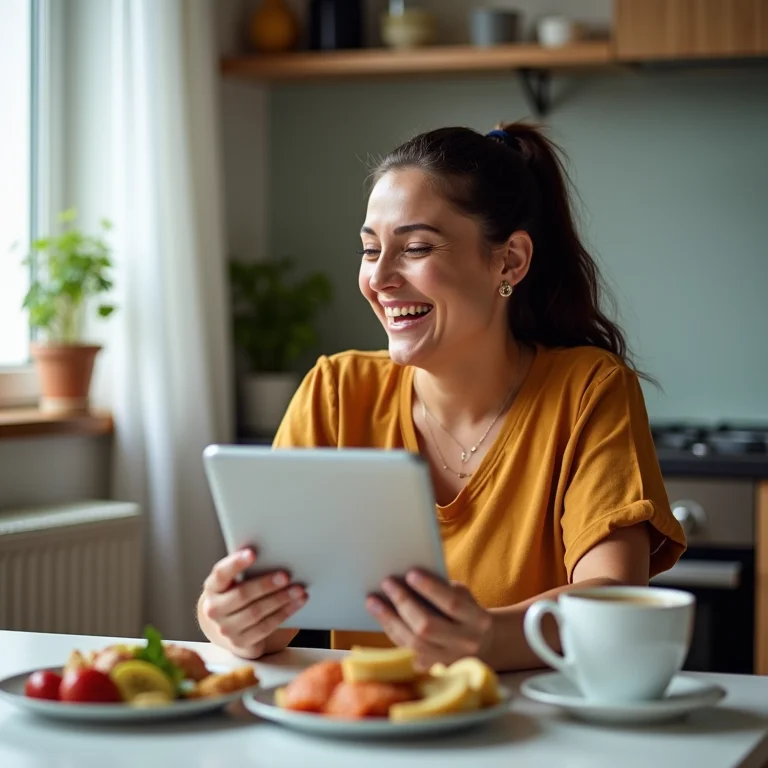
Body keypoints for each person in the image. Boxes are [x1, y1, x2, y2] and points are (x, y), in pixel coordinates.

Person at [197, 122, 686, 672]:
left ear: (510, 261)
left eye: (416, 248)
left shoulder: (589, 391)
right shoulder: (334, 392)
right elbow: (274, 605)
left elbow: (613, 599)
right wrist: (231, 619)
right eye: (370, 250)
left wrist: (490, 639)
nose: (379, 277)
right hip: (371, 733)